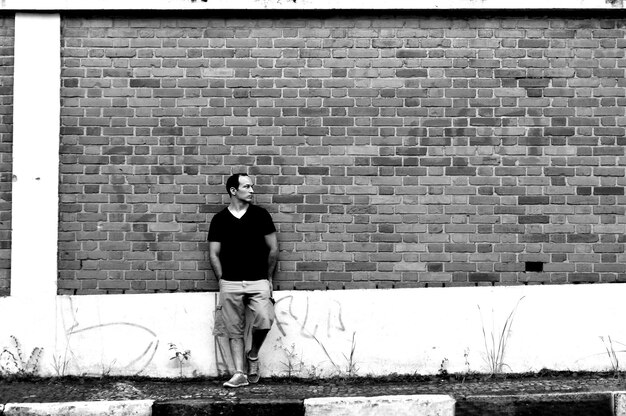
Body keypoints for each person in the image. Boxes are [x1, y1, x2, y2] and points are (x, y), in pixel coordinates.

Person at [208, 173, 279, 388]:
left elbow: (273, 249)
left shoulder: (260, 215)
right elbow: (213, 253)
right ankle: (239, 374)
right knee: (234, 330)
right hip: (230, 282)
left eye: (251, 186)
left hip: (258, 280)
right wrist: (222, 279)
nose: (251, 190)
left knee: (265, 319)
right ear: (233, 190)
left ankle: (254, 355)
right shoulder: (220, 219)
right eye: (246, 186)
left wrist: (268, 277)